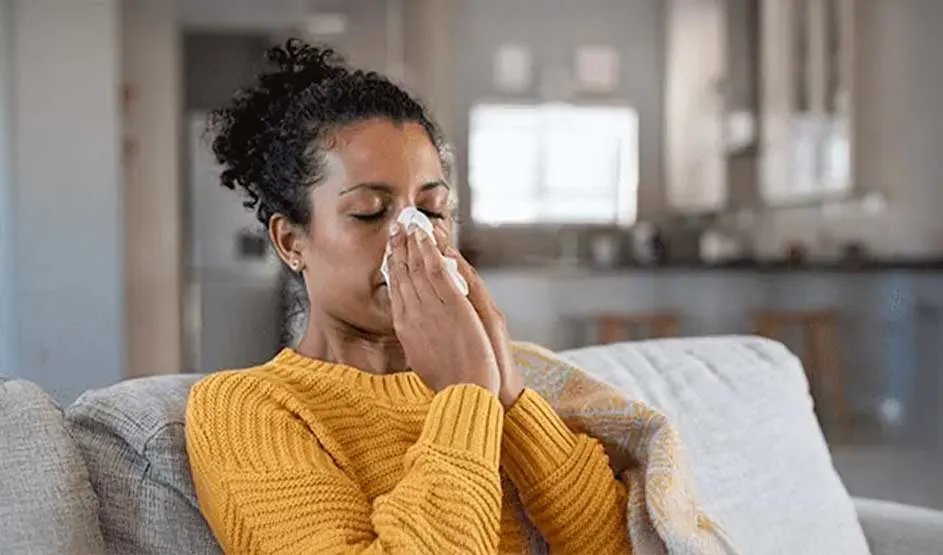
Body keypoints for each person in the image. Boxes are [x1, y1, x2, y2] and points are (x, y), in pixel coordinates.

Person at [185, 39, 630, 554]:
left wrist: (509, 395)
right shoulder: (245, 410)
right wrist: (467, 398)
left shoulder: (498, 376)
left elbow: (620, 546)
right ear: (291, 242)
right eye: (371, 212)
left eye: (434, 210)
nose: (413, 237)